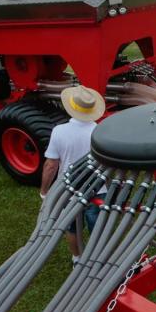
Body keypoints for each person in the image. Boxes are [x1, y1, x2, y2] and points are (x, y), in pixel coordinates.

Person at [40, 84, 106, 260]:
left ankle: (77, 258)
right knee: (98, 225)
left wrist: (45, 192)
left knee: (71, 227)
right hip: (98, 188)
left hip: (68, 189)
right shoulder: (100, 131)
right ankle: (98, 258)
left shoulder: (59, 132)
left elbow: (51, 165)